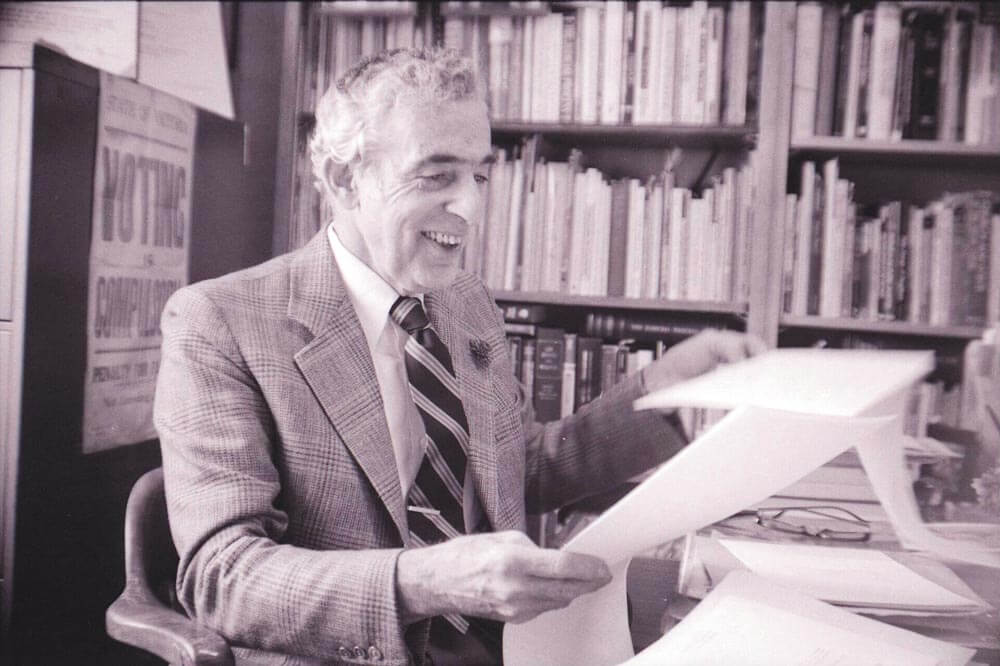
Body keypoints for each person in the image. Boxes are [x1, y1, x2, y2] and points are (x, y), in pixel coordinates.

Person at [154, 47, 764, 666]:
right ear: (344, 179)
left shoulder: (465, 302)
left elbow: (519, 469)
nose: (471, 207)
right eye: (436, 175)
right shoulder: (220, 321)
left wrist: (667, 392)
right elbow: (221, 578)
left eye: (479, 174)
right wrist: (427, 581)